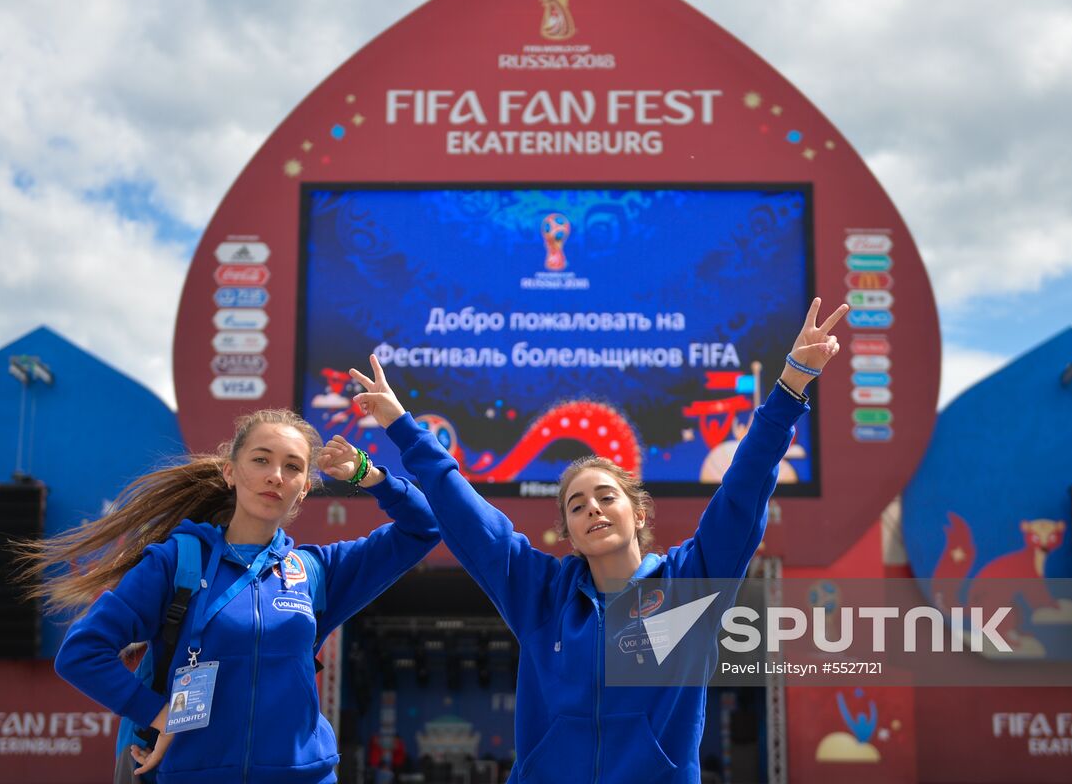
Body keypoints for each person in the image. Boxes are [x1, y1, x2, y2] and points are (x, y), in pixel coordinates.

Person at [330, 299, 846, 784]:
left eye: (605, 497)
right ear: (570, 533)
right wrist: (402, 427)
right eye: (576, 506)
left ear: (638, 512)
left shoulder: (691, 585)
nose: (592, 509)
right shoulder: (541, 595)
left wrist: (791, 385)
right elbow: (467, 515)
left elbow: (743, 489)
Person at [23, 408, 439, 783]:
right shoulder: (177, 562)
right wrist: (157, 715)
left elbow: (423, 527)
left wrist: (367, 473)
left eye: (293, 467)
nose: (276, 475)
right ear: (230, 473)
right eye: (261, 460)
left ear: (304, 490)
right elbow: (81, 653)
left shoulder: (316, 571)